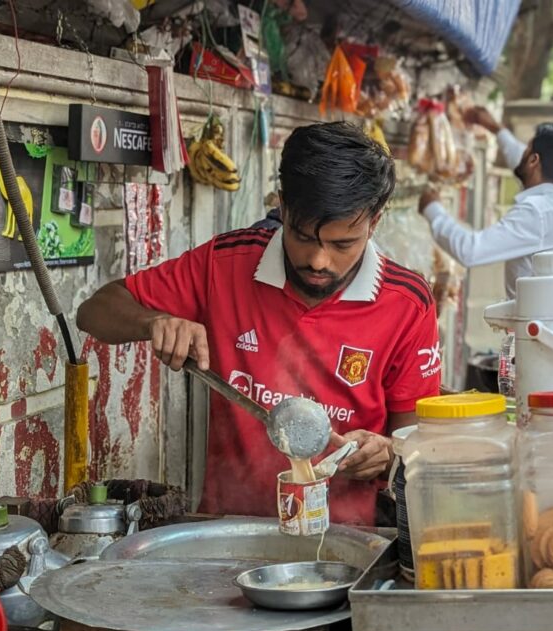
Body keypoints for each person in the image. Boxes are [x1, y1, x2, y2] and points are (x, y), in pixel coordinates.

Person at [77, 122, 441, 525]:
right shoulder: (224, 263)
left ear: (374, 222)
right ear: (282, 206)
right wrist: (156, 321)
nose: (319, 261)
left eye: (342, 245)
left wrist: (387, 451)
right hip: (227, 532)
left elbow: (420, 441)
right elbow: (95, 311)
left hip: (347, 540)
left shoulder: (407, 302)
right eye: (303, 236)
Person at [420, 107, 553, 299]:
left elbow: (470, 251)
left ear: (533, 160)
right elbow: (520, 160)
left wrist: (432, 208)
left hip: (533, 323)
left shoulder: (534, 214)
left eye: (528, 148)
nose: (522, 152)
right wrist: (496, 128)